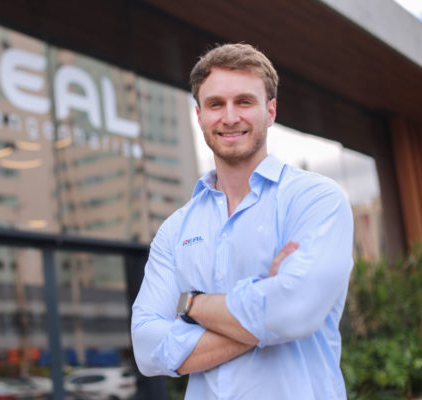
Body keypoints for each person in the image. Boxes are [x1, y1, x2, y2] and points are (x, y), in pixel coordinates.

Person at [131, 43, 354, 399]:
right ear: (199, 115)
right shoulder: (175, 230)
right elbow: (146, 347)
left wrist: (190, 305)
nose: (230, 117)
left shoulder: (315, 199)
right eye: (216, 104)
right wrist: (266, 307)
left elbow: (293, 311)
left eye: (244, 102)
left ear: (271, 111)